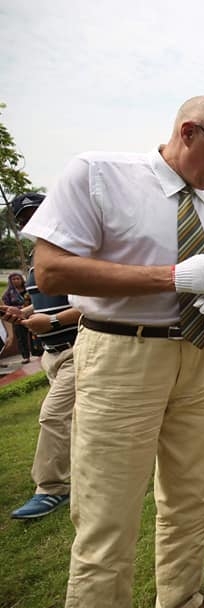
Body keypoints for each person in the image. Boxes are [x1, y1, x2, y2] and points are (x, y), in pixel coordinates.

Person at [24, 95, 204, 608]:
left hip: (196, 357)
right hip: (120, 356)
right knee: (107, 511)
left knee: (192, 490)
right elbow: (53, 271)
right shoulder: (99, 175)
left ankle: (180, 597)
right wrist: (170, 278)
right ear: (189, 132)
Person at [3, 193, 79, 519]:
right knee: (78, 420)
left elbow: (96, 303)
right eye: (22, 220)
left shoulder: (73, 247)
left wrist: (49, 321)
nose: (29, 223)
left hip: (79, 347)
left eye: (35, 213)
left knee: (53, 415)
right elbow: (47, 300)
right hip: (51, 354)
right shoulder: (38, 256)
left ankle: (51, 488)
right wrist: (23, 311)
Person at [2, 271, 31, 363]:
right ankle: (26, 356)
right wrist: (18, 309)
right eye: (13, 279)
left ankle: (38, 351)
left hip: (31, 315)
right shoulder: (8, 293)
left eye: (18, 278)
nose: (16, 281)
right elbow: (5, 306)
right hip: (17, 318)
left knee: (34, 335)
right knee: (21, 338)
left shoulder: (28, 289)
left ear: (22, 279)